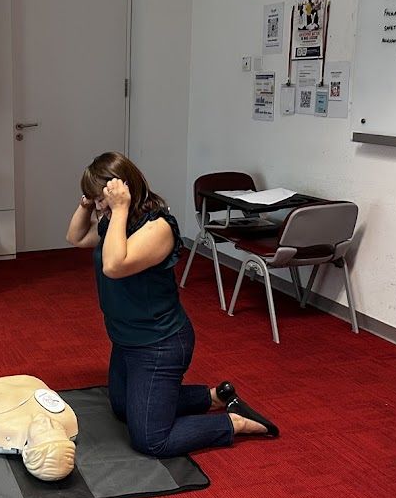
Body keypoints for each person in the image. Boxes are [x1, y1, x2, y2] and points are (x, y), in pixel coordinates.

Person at [65, 151, 278, 459]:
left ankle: (232, 422)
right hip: (126, 339)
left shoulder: (158, 227)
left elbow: (114, 265)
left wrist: (119, 208)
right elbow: (76, 237)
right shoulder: (113, 222)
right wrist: (88, 203)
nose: (101, 208)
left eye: (103, 200)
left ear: (125, 192)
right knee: (123, 407)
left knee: (151, 440)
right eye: (97, 200)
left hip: (159, 343)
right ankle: (214, 397)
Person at [0, 375, 79, 481]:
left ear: (26, 450)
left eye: (42, 430)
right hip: (33, 380)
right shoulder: (68, 419)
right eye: (57, 427)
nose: (46, 420)